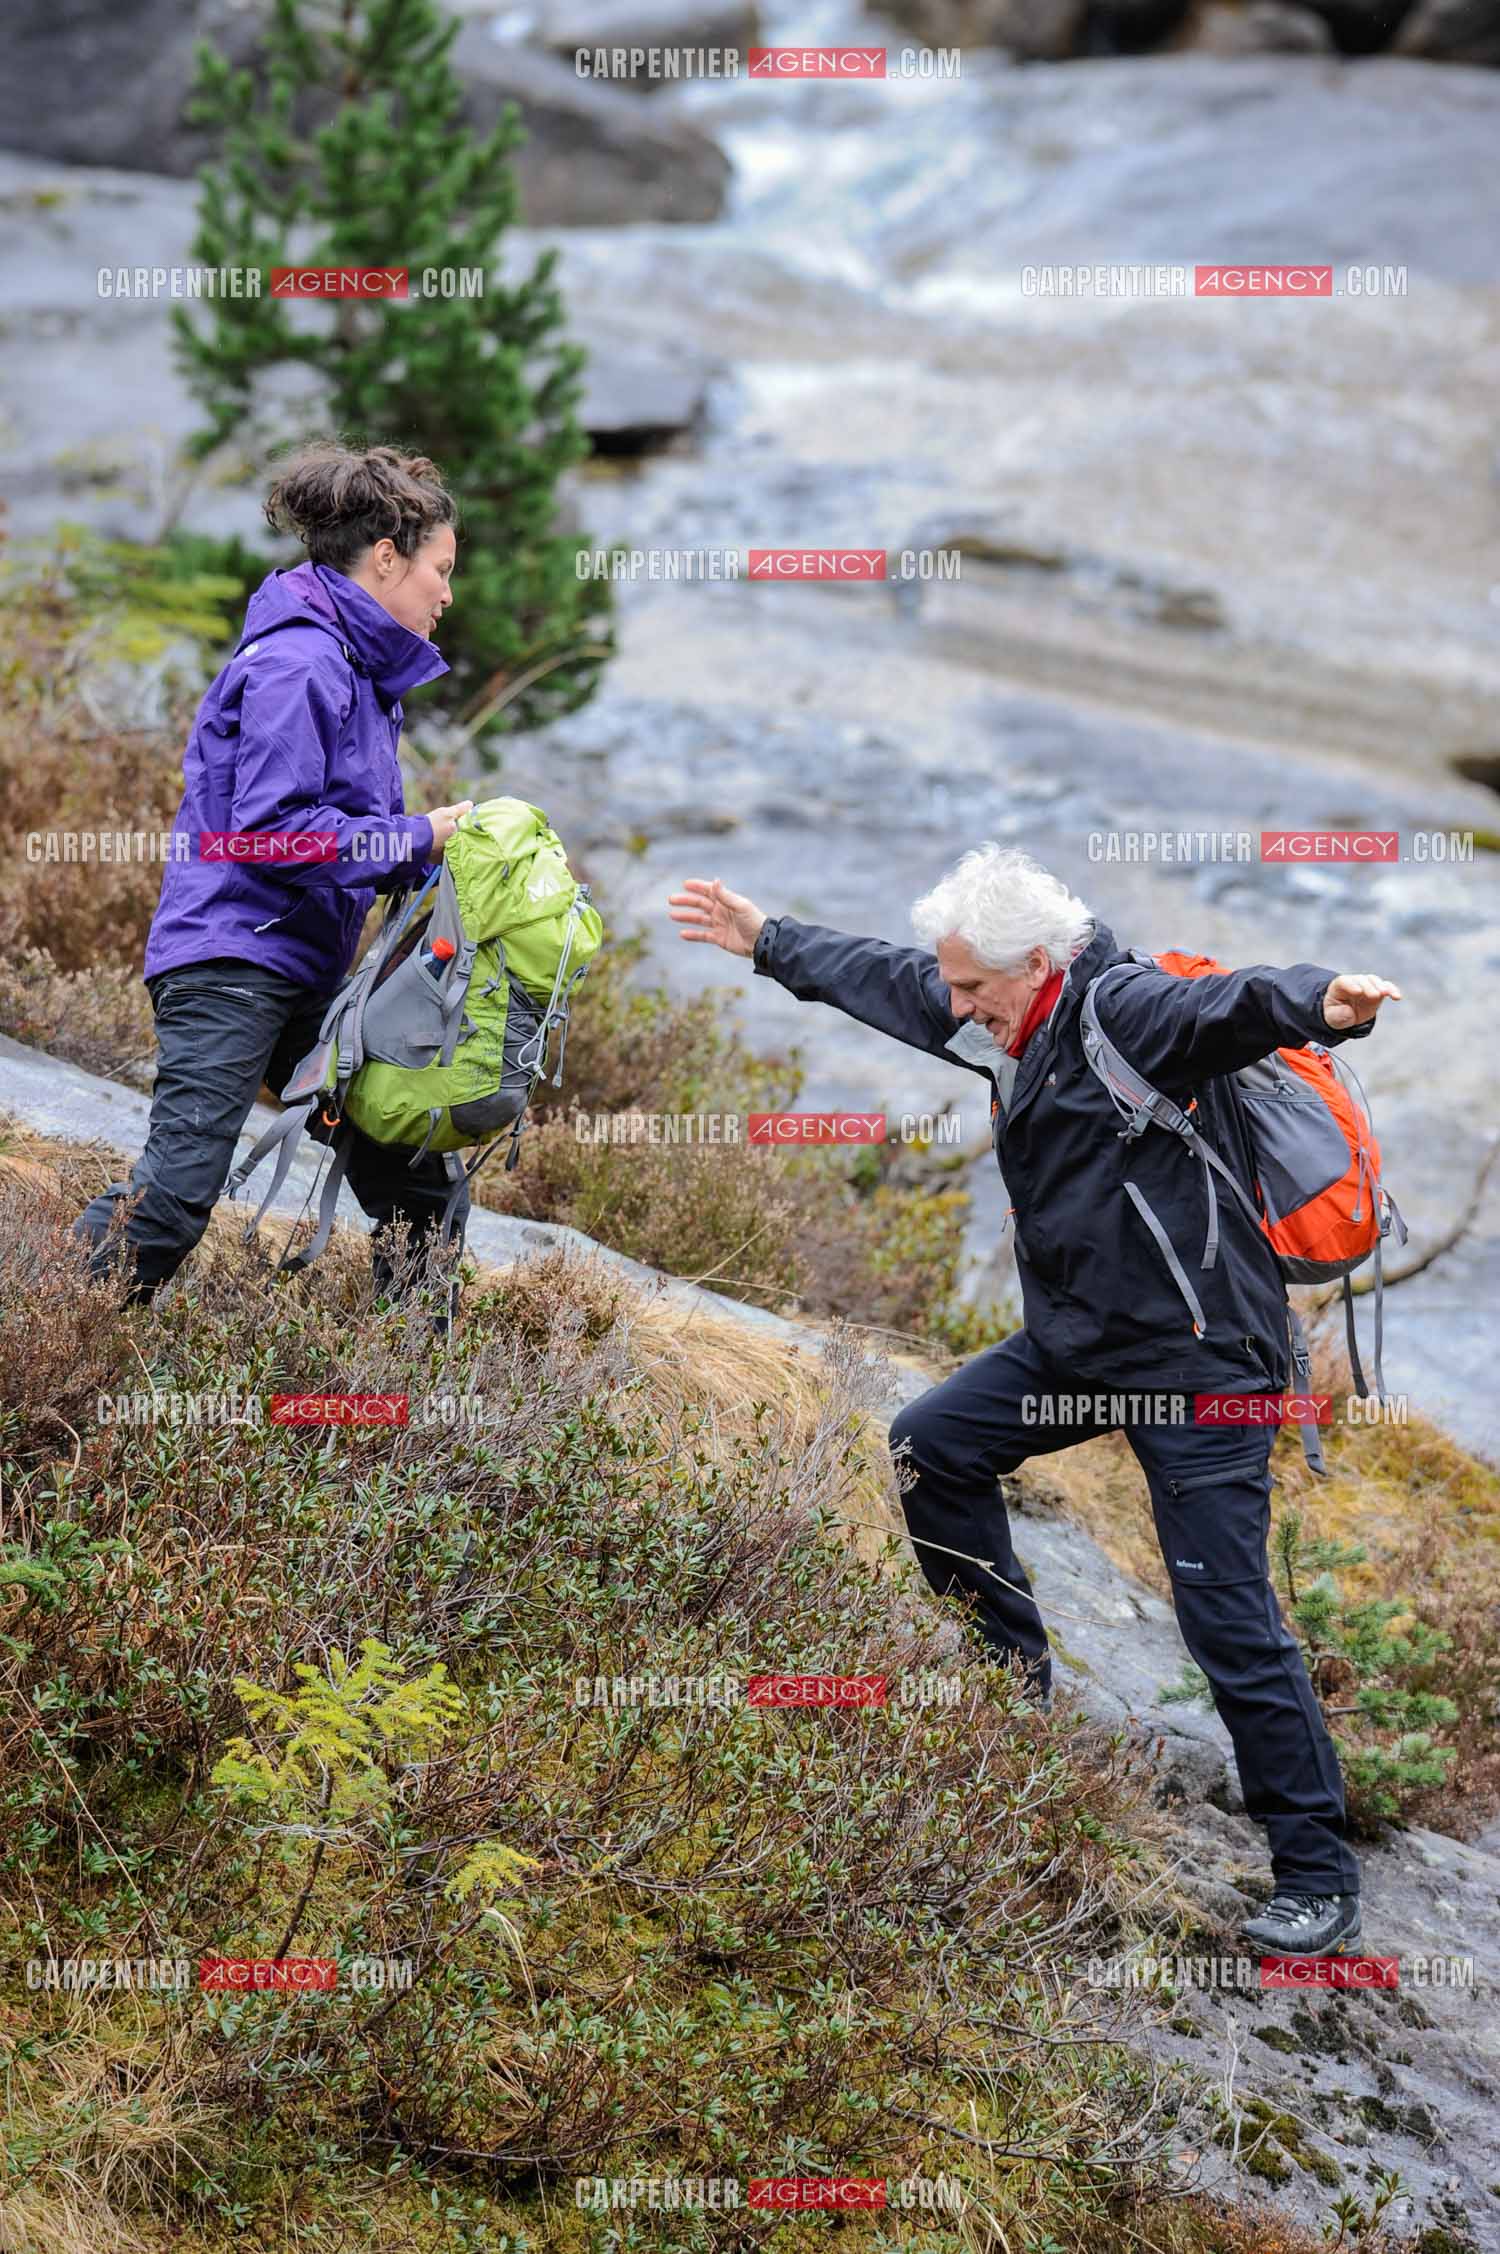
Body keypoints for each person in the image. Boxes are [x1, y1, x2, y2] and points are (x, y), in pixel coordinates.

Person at [668, 847, 1402, 1958]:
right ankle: (1012, 1706)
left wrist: (1325, 1003)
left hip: (1201, 1374)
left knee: (1227, 1620)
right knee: (932, 1446)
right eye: (954, 985)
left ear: (1039, 963)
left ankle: (1316, 1875)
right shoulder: (1003, 1011)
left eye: (972, 988)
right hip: (1081, 1352)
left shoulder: (1131, 1013)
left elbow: (1236, 1003)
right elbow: (885, 980)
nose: (957, 1006)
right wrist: (769, 939)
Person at [72, 439, 476, 1321]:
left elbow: (335, 833)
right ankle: (40, 1334)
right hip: (229, 966)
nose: (448, 592)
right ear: (385, 559)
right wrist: (415, 835)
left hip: (304, 975)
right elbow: (272, 834)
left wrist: (433, 850)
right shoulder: (301, 665)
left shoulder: (361, 672)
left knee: (422, 1193)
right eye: (440, 570)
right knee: (173, 1203)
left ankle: (415, 1402)